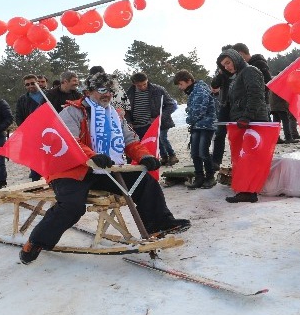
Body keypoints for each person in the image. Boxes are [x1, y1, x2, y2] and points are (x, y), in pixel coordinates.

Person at [19, 72, 191, 264]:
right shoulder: (72, 112)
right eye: (102, 90)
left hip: (105, 168)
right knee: (71, 207)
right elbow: (69, 142)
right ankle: (36, 241)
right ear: (88, 91)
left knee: (144, 181)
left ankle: (160, 224)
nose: (107, 94)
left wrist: (145, 156)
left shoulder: (114, 114)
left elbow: (130, 140)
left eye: (110, 90)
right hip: (71, 169)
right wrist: (92, 155)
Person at [217, 48, 269, 203]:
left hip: (252, 122)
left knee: (249, 157)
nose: (226, 67)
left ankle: (249, 191)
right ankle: (246, 189)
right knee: (243, 156)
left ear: (236, 58)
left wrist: (247, 116)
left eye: (228, 62)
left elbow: (256, 95)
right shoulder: (238, 75)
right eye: (223, 65)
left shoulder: (249, 71)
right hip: (242, 122)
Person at [173, 70, 217, 189]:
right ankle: (199, 177)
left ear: (189, 81)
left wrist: (190, 120)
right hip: (197, 126)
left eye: (181, 84)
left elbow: (199, 110)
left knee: (203, 152)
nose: (180, 87)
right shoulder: (193, 91)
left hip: (206, 125)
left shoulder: (200, 90)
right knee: (195, 153)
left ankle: (210, 177)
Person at [125, 72, 178, 166]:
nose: (142, 87)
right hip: (135, 126)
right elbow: (126, 110)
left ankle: (166, 157)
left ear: (147, 80)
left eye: (144, 84)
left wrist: (159, 117)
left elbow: (171, 105)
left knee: (158, 142)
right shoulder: (128, 93)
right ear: (134, 84)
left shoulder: (158, 90)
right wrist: (128, 121)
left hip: (152, 125)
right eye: (139, 85)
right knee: (137, 148)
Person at [15, 74, 45, 181]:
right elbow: (18, 117)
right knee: (34, 159)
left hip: (48, 132)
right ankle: (35, 182)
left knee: (48, 158)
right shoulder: (22, 99)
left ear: (38, 82)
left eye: (33, 83)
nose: (30, 86)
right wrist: (25, 129)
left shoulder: (48, 96)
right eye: (27, 84)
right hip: (31, 134)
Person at [210, 45, 235, 170]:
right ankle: (216, 161)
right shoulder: (221, 70)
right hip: (224, 105)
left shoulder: (241, 69)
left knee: (236, 134)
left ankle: (236, 160)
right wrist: (221, 72)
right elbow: (214, 84)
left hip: (237, 105)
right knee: (220, 133)